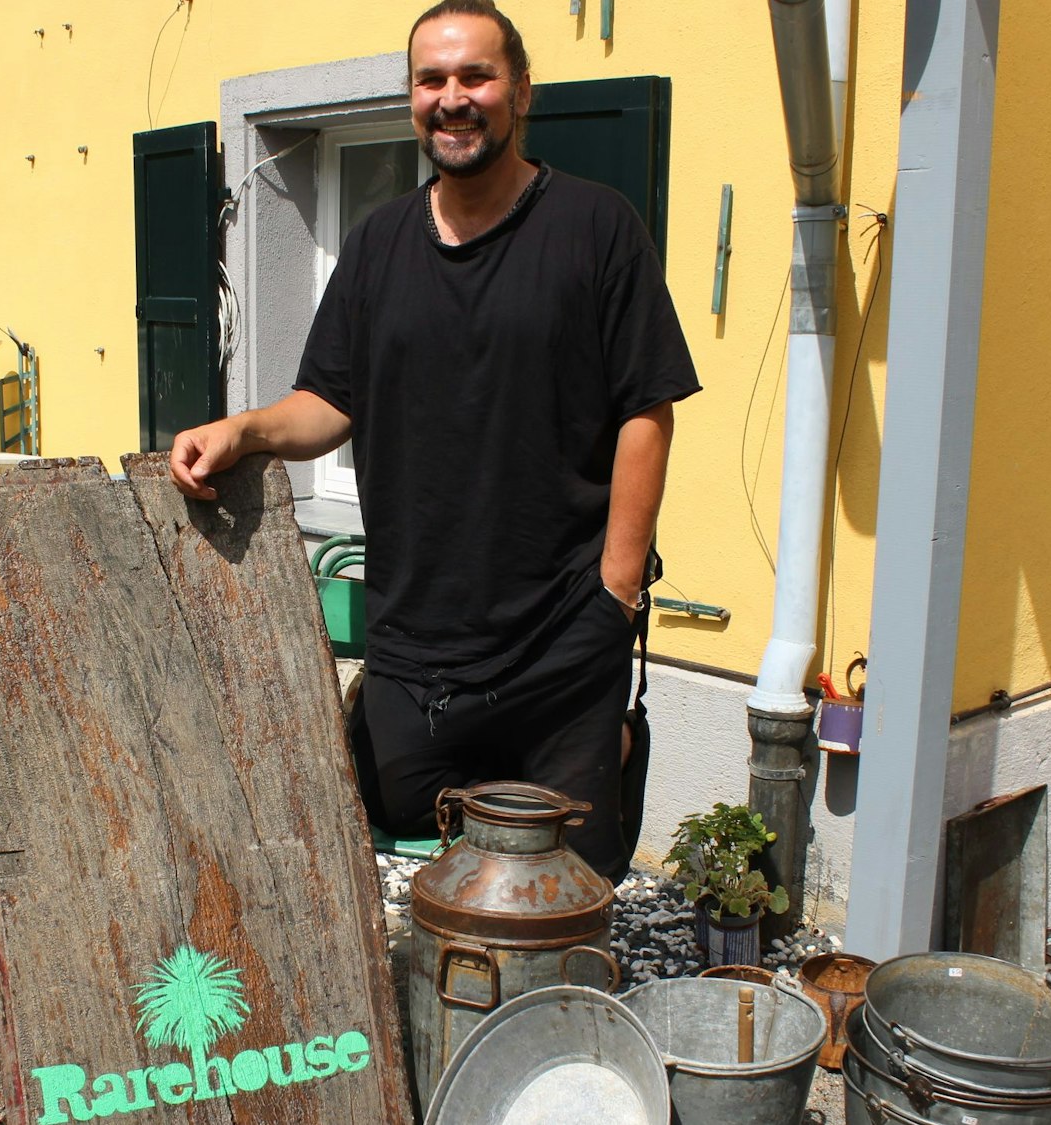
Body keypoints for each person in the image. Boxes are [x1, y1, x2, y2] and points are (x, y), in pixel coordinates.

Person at [169, 0, 700, 879]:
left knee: (569, 886)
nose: (454, 98)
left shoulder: (596, 229)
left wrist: (617, 590)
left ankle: (557, 1014)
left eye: (476, 76)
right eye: (432, 80)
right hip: (417, 643)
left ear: (520, 91)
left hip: (564, 636)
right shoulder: (377, 244)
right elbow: (326, 401)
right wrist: (245, 428)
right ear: (413, 98)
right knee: (430, 850)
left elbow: (648, 408)